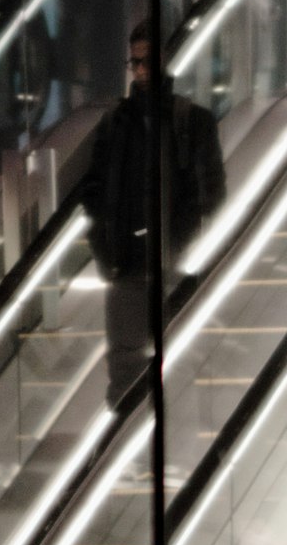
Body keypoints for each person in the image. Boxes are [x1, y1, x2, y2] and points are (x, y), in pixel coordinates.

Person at [75, 22, 226, 405]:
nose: (140, 70)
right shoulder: (116, 123)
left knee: (177, 366)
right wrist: (104, 249)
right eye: (134, 62)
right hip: (127, 264)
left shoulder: (192, 121)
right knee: (126, 368)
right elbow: (92, 191)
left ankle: (169, 454)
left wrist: (189, 245)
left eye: (147, 61)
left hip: (175, 263)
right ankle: (125, 455)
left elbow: (212, 194)